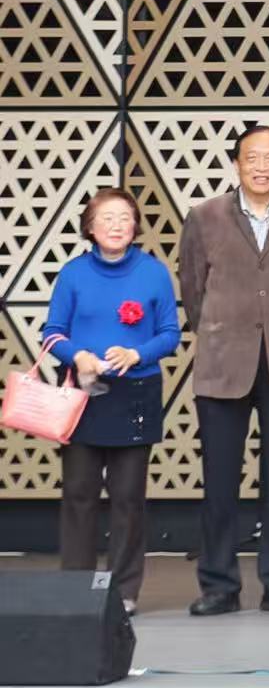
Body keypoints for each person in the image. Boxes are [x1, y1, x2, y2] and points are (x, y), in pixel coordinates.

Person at [179, 123, 269, 616]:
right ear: (237, 164)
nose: (261, 166)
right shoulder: (204, 217)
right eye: (252, 158)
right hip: (223, 363)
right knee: (219, 480)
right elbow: (192, 290)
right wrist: (224, 329)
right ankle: (218, 585)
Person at [45, 189, 179, 615]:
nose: (117, 225)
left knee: (127, 498)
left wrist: (137, 354)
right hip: (83, 394)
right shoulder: (73, 274)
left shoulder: (153, 272)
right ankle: (75, 586)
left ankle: (123, 591)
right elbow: (52, 332)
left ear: (136, 225)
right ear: (90, 227)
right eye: (106, 218)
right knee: (79, 494)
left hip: (135, 394)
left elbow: (170, 334)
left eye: (125, 217)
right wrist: (77, 355)